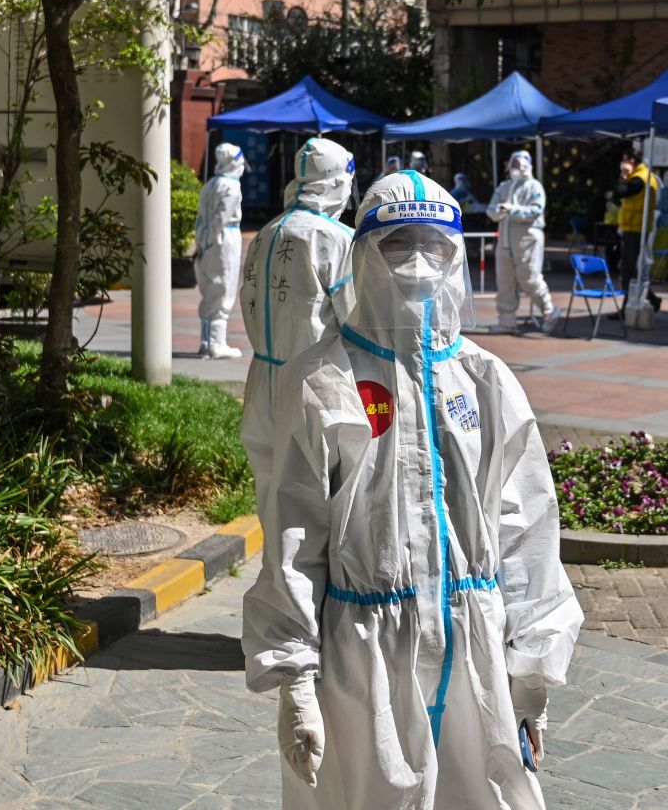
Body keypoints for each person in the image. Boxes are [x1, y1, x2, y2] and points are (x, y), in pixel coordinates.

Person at [242, 170, 582, 810]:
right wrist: (295, 679)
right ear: (364, 254)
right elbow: (294, 530)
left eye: (437, 245)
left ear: (458, 258)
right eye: (399, 244)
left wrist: (532, 674)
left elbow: (527, 527)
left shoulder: (484, 380)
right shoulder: (325, 379)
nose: (419, 263)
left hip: (474, 649)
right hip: (365, 656)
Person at [239, 137, 355, 510]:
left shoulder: (268, 232)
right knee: (314, 502)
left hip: (263, 381)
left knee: (272, 497)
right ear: (337, 182)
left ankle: (276, 568)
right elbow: (356, 322)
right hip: (315, 384)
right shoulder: (335, 239)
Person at [485, 150, 560, 333]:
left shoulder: (534, 187)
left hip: (527, 240)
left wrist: (513, 210)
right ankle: (507, 322)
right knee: (505, 282)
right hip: (504, 242)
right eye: (514, 164)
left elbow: (535, 210)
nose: (517, 168)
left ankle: (548, 310)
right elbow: (491, 210)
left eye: (521, 164)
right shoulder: (504, 187)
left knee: (530, 279)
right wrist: (499, 211)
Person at [194, 141, 245, 358]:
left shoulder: (210, 184)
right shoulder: (232, 187)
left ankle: (206, 341)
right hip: (224, 239)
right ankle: (216, 343)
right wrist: (212, 238)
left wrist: (202, 241)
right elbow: (221, 218)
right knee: (224, 288)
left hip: (206, 240)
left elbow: (201, 218)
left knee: (209, 289)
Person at [613, 146, 662, 316]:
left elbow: (619, 193)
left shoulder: (638, 179)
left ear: (631, 161)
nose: (623, 163)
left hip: (636, 228)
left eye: (625, 159)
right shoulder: (644, 176)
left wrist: (623, 176)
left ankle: (627, 308)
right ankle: (652, 299)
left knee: (628, 270)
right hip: (635, 227)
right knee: (632, 270)